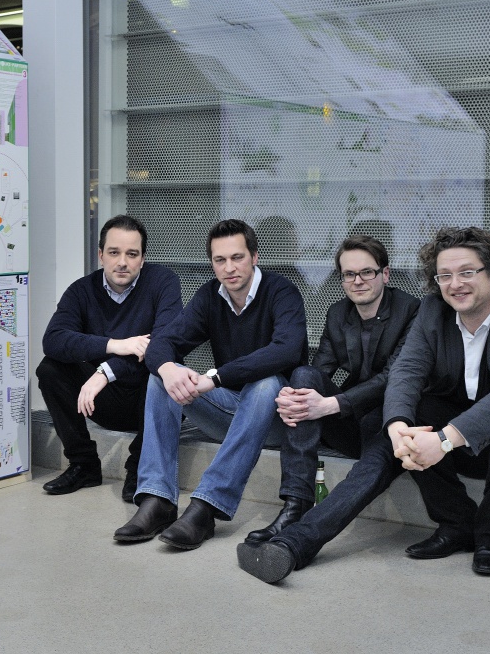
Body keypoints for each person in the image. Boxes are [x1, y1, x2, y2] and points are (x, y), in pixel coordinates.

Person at [239, 227, 490, 582]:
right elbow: (407, 371)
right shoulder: (434, 311)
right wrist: (397, 428)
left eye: (467, 272)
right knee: (411, 417)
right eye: (445, 275)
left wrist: (444, 440)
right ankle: (296, 544)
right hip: (466, 446)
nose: (455, 284)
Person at [114, 219, 307, 550]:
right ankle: (158, 500)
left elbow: (286, 350)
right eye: (220, 260)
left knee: (266, 383)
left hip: (274, 420)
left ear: (254, 257)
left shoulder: (281, 292)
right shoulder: (209, 296)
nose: (229, 268)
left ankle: (206, 507)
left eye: (237, 257)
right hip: (228, 411)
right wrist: (168, 369)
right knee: (162, 376)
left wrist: (216, 378)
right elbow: (163, 343)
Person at [242, 235, 419, 545]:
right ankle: (295, 503)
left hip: (390, 424)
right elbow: (319, 371)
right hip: (350, 424)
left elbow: (394, 376)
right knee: (302, 376)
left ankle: (302, 528)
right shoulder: (338, 313)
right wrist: (293, 395)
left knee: (311, 389)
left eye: (367, 272)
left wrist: (331, 404)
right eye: (349, 274)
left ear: (385, 274)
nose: (358, 281)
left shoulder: (411, 310)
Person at [37, 215, 182, 502]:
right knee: (50, 369)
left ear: (143, 258)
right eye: (114, 253)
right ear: (101, 255)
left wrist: (104, 371)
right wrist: (115, 345)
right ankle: (84, 465)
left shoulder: (163, 282)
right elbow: (53, 340)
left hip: (148, 396)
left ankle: (139, 468)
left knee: (167, 369)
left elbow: (164, 343)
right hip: (100, 401)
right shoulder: (81, 290)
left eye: (132, 254)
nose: (122, 262)